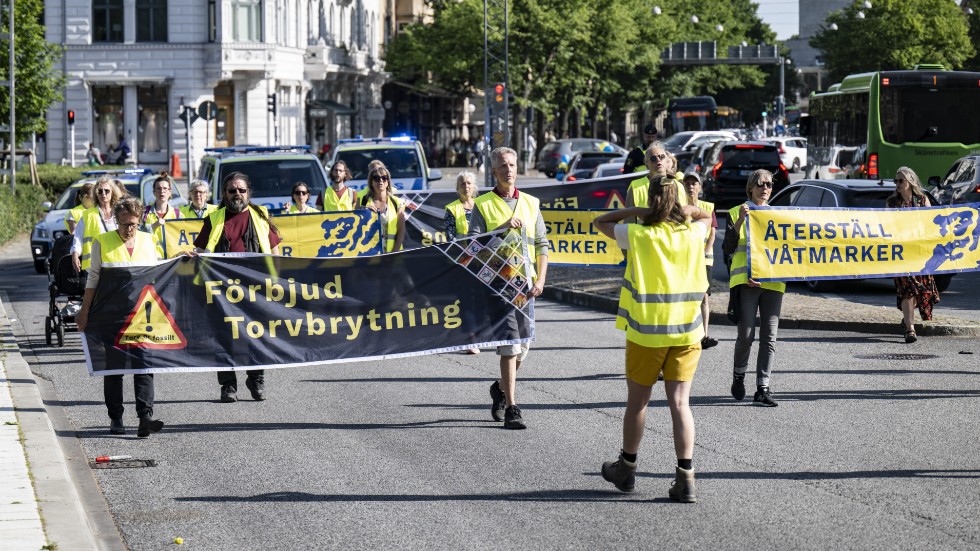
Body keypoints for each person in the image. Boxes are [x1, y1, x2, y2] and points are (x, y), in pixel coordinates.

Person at [594, 175, 711, 501]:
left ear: (652, 200)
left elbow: (600, 220)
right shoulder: (692, 234)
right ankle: (686, 478)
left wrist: (638, 210)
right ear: (676, 200)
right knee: (680, 403)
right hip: (687, 332)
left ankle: (627, 469)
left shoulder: (638, 235)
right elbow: (705, 216)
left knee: (638, 402)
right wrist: (684, 209)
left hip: (647, 333)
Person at [467, 147, 550, 430]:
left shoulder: (530, 203)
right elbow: (472, 246)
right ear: (494, 171)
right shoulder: (484, 204)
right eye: (503, 166)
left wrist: (540, 279)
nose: (508, 170)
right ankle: (513, 407)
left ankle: (500, 388)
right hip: (498, 285)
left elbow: (541, 244)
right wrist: (501, 227)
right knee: (510, 344)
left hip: (526, 284)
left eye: (512, 165)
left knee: (523, 347)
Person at [76, 197, 165, 438]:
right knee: (114, 369)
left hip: (142, 315)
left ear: (140, 222)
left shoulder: (149, 240)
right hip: (111, 313)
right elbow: (93, 278)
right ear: (116, 221)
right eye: (125, 224)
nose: (129, 229)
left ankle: (145, 417)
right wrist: (84, 311)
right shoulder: (102, 241)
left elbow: (161, 273)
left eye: (134, 224)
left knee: (144, 365)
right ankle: (115, 416)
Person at [193, 172, 282, 403]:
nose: (237, 194)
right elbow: (202, 252)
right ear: (225, 194)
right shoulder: (214, 219)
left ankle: (256, 379)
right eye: (232, 190)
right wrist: (189, 257)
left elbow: (275, 252)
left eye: (241, 190)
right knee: (224, 337)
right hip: (221, 291)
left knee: (256, 335)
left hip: (256, 289)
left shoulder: (260, 216)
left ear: (248, 193)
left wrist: (277, 281)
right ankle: (228, 385)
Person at [722, 169, 783, 407]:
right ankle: (739, 376)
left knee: (770, 337)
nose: (765, 188)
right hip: (746, 284)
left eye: (768, 184)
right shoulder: (737, 211)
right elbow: (727, 247)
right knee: (746, 335)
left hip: (773, 283)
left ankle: (763, 388)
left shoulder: (778, 215)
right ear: (751, 188)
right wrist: (739, 222)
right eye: (760, 184)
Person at [886, 166, 939, 343]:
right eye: (896, 181)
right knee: (907, 289)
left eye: (901, 180)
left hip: (920, 254)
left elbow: (931, 224)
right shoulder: (892, 202)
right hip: (900, 254)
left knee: (921, 290)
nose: (898, 184)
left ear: (910, 182)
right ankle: (910, 329)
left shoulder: (922, 200)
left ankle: (907, 317)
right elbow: (885, 226)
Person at [445, 171, 481, 355]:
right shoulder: (452, 209)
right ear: (457, 188)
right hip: (464, 262)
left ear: (474, 186)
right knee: (467, 301)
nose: (466, 187)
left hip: (485, 262)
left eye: (468, 183)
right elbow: (450, 238)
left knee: (483, 300)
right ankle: (471, 338)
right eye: (462, 184)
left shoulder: (482, 206)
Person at [72, 177, 126, 273]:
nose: (103, 194)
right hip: (93, 268)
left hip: (117, 265)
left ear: (112, 192)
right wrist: (75, 255)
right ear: (96, 194)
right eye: (100, 191)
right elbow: (78, 238)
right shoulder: (87, 215)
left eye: (107, 191)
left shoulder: (120, 213)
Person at [625, 142, 687, 213]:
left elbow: (683, 216)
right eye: (653, 158)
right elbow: (629, 219)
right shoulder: (635, 186)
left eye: (662, 156)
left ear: (667, 161)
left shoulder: (678, 186)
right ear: (647, 164)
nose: (658, 159)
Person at [359, 165, 406, 253]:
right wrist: (363, 212)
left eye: (384, 178)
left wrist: (393, 254)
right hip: (369, 253)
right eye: (376, 178)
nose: (381, 181)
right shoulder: (363, 202)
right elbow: (356, 229)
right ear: (371, 182)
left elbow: (401, 231)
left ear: (388, 181)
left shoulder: (397, 202)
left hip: (393, 253)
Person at [140, 172, 182, 257]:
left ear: (170, 192)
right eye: (158, 188)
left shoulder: (178, 214)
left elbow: (182, 238)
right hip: (150, 258)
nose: (162, 191)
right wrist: (154, 226)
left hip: (171, 259)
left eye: (165, 188)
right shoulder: (144, 213)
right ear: (154, 192)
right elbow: (137, 235)